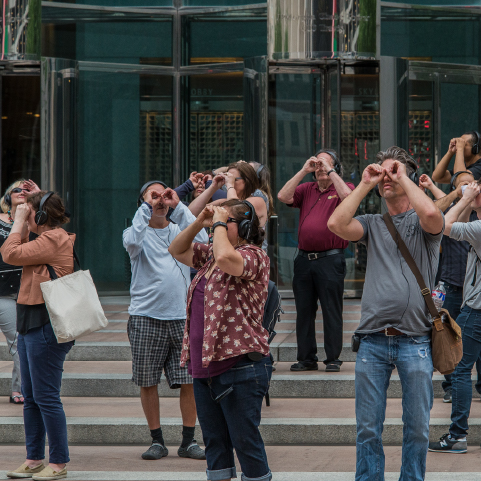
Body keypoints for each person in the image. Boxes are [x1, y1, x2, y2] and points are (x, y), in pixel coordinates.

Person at [328, 146, 444, 481]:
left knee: (419, 429)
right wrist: (365, 183)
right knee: (367, 429)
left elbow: (434, 217)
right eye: (384, 175)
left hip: (416, 340)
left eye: (394, 174)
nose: (387, 179)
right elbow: (336, 223)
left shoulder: (424, 222)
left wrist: (404, 177)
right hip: (373, 342)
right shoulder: (373, 223)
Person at [168, 199, 272, 481]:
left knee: (246, 445)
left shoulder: (253, 256)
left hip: (239, 367)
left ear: (246, 227)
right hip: (205, 367)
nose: (218, 230)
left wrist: (217, 222)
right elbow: (176, 249)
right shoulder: (210, 257)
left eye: (227, 223)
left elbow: (228, 259)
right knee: (215, 446)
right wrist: (199, 222)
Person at [123, 181, 208, 461]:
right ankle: (157, 440)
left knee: (189, 381)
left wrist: (179, 205)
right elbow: (133, 241)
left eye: (164, 195)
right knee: (148, 381)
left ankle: (188, 440)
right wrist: (146, 209)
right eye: (153, 196)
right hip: (146, 317)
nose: (160, 200)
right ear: (143, 203)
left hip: (182, 317)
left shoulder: (179, 231)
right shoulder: (135, 232)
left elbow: (205, 241)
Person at [2, 191, 76, 481]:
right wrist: (33, 197)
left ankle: (58, 463)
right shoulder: (47, 237)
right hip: (31, 321)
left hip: (46, 324)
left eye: (30, 212)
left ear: (41, 217)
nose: (23, 214)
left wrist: (18, 222)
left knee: (46, 397)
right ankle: (34, 459)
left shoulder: (53, 239)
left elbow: (10, 253)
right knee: (31, 397)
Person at [277, 149, 354, 372]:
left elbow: (349, 199)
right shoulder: (306, 189)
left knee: (331, 309)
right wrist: (304, 170)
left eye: (325, 164)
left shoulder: (343, 186)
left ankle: (333, 358)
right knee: (304, 310)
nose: (320, 168)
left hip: (330, 259)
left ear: (335, 167)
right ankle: (306, 358)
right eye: (317, 165)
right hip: (303, 260)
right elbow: (283, 196)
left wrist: (330, 170)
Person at [429, 181, 481, 454]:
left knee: (461, 370)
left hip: (477, 310)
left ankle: (457, 435)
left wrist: (465, 198)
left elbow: (441, 224)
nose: (473, 192)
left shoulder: (480, 228)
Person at [189, 162, 268, 236]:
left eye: (234, 179)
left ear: (247, 181)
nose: (227, 182)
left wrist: (230, 185)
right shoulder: (224, 202)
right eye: (227, 179)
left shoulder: (258, 201)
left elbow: (235, 212)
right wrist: (213, 187)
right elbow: (190, 214)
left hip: (244, 250)